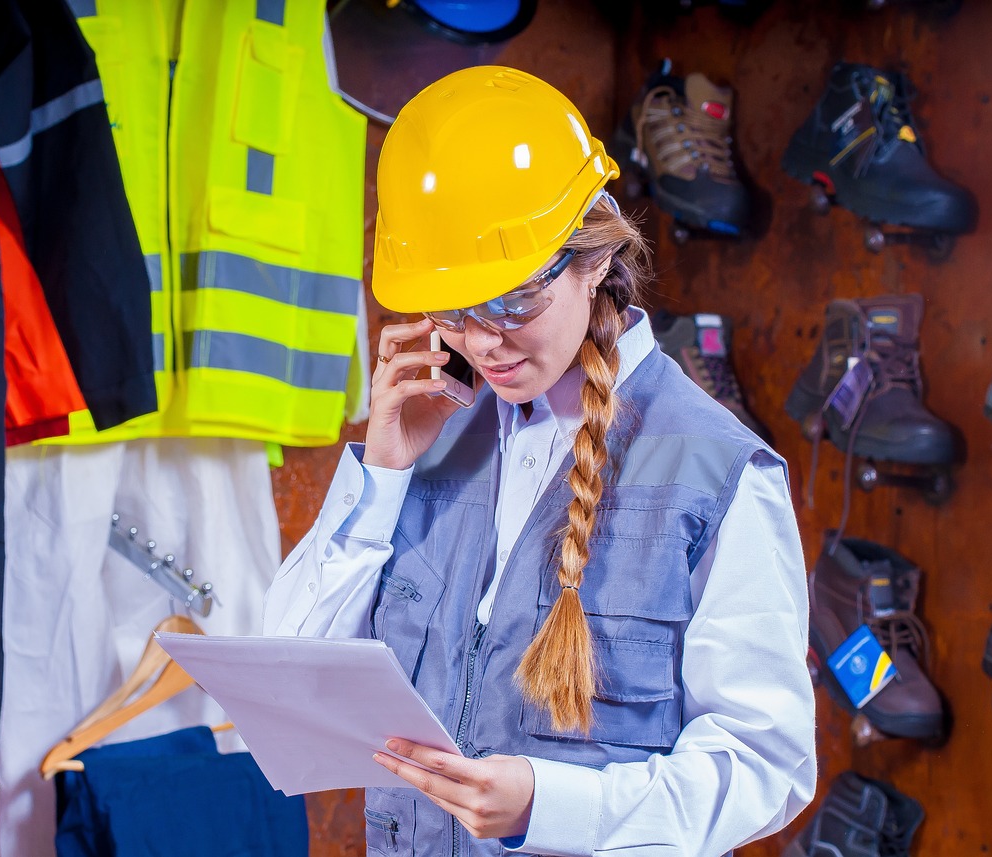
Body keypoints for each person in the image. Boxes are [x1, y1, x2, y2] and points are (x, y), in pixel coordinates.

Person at [263, 65, 816, 856]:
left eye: (514, 300)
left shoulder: (718, 474)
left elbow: (765, 765)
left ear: (593, 259)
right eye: (453, 309)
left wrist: (548, 806)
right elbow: (291, 684)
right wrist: (381, 472)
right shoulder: (427, 435)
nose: (483, 341)